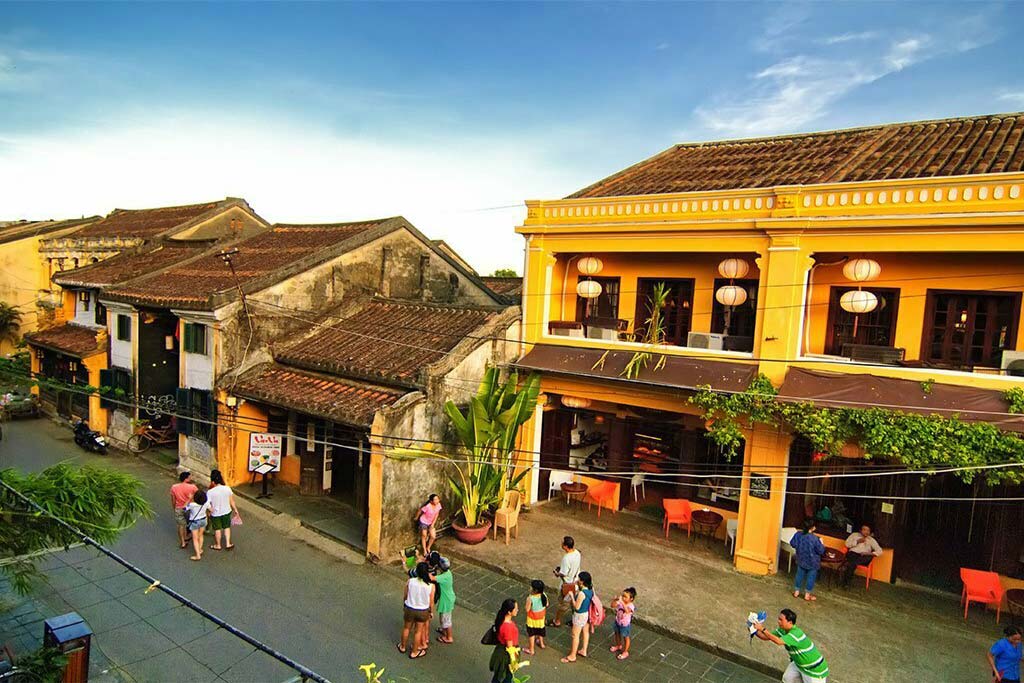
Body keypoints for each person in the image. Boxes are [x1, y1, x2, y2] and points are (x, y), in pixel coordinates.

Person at [753, 608, 829, 683]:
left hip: (814, 670)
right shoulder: (781, 630)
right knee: (788, 679)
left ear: (789, 622)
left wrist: (762, 629)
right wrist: (753, 629)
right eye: (778, 619)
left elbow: (778, 641)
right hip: (799, 664)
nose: (778, 621)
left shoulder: (796, 633)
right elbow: (765, 637)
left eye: (781, 620)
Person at [399, 561, 434, 659]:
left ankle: (402, 646)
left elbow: (405, 595)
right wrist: (431, 612)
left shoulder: (410, 581)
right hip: (422, 611)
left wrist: (404, 605)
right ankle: (414, 652)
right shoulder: (430, 586)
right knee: (418, 632)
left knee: (406, 628)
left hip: (410, 608)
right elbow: (431, 602)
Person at [560, 571, 593, 663]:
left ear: (582, 582)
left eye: (579, 579)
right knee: (585, 632)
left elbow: (576, 607)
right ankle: (584, 650)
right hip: (586, 613)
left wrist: (572, 596)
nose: (577, 580)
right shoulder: (591, 590)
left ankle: (572, 655)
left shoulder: (582, 594)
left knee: (575, 635)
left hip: (579, 615)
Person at [792, 519, 825, 601]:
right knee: (811, 578)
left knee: (799, 575)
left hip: (801, 559)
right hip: (813, 562)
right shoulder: (815, 539)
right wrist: (822, 544)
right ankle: (807, 595)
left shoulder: (798, 534)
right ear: (813, 528)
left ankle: (796, 592)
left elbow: (793, 543)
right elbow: (821, 551)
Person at [551, 535, 581, 627]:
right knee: (574, 603)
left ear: (566, 546)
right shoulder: (577, 553)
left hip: (567, 585)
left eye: (562, 543)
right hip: (575, 582)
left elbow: (564, 573)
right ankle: (575, 620)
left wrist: (557, 573)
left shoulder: (566, 558)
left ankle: (557, 621)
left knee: (563, 604)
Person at [207, 469, 240, 551]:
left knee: (217, 529)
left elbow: (207, 503)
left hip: (216, 513)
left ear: (213, 481)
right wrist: (235, 510)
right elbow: (231, 501)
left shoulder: (210, 492)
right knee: (226, 527)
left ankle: (218, 545)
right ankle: (228, 543)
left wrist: (210, 509)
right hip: (226, 511)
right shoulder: (227, 488)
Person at [488, 598, 519, 683]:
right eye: (516, 609)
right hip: (506, 656)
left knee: (499, 675)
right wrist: (514, 661)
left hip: (501, 651)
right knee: (506, 677)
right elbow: (510, 647)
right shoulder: (508, 627)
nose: (517, 610)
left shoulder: (502, 621)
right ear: (509, 612)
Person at [169, 471, 198, 549]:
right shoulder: (193, 487)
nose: (191, 478)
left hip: (179, 508)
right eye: (190, 477)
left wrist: (174, 508)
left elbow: (173, 499)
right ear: (186, 479)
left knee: (181, 525)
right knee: (192, 522)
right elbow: (198, 496)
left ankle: (183, 541)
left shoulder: (174, 487)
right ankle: (191, 537)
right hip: (190, 508)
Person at [609, 587, 637, 661]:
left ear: (631, 599)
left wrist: (622, 602)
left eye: (625, 597)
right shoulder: (620, 603)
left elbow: (627, 611)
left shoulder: (631, 606)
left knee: (626, 637)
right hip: (618, 621)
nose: (623, 598)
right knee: (617, 634)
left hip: (625, 625)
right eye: (623, 596)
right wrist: (615, 600)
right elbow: (612, 606)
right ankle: (618, 645)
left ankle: (625, 651)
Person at [434, 557, 456, 644]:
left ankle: (449, 637)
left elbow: (432, 578)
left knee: (446, 620)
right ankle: (444, 630)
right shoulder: (448, 573)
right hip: (448, 598)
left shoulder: (443, 577)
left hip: (446, 601)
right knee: (444, 617)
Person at [184, 489, 210, 562]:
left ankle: (197, 555)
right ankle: (200, 549)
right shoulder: (206, 503)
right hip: (204, 520)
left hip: (195, 521)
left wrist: (189, 499)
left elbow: (184, 508)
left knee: (195, 538)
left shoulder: (192, 505)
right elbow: (211, 509)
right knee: (201, 535)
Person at [524, 580, 548, 655]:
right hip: (541, 618)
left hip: (532, 619)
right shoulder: (544, 595)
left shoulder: (530, 598)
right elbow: (547, 604)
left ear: (535, 590)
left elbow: (527, 609)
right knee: (540, 631)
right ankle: (541, 643)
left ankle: (531, 649)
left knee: (532, 633)